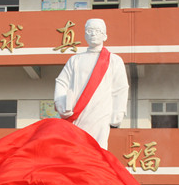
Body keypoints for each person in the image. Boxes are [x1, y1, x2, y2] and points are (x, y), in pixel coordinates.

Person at [54, 18, 129, 149]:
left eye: (97, 31)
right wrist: (61, 104)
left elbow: (120, 88)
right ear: (84, 35)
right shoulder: (75, 60)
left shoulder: (114, 60)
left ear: (105, 35)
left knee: (97, 148)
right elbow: (61, 82)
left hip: (100, 112)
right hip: (77, 114)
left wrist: (118, 112)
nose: (93, 34)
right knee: (76, 149)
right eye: (89, 31)